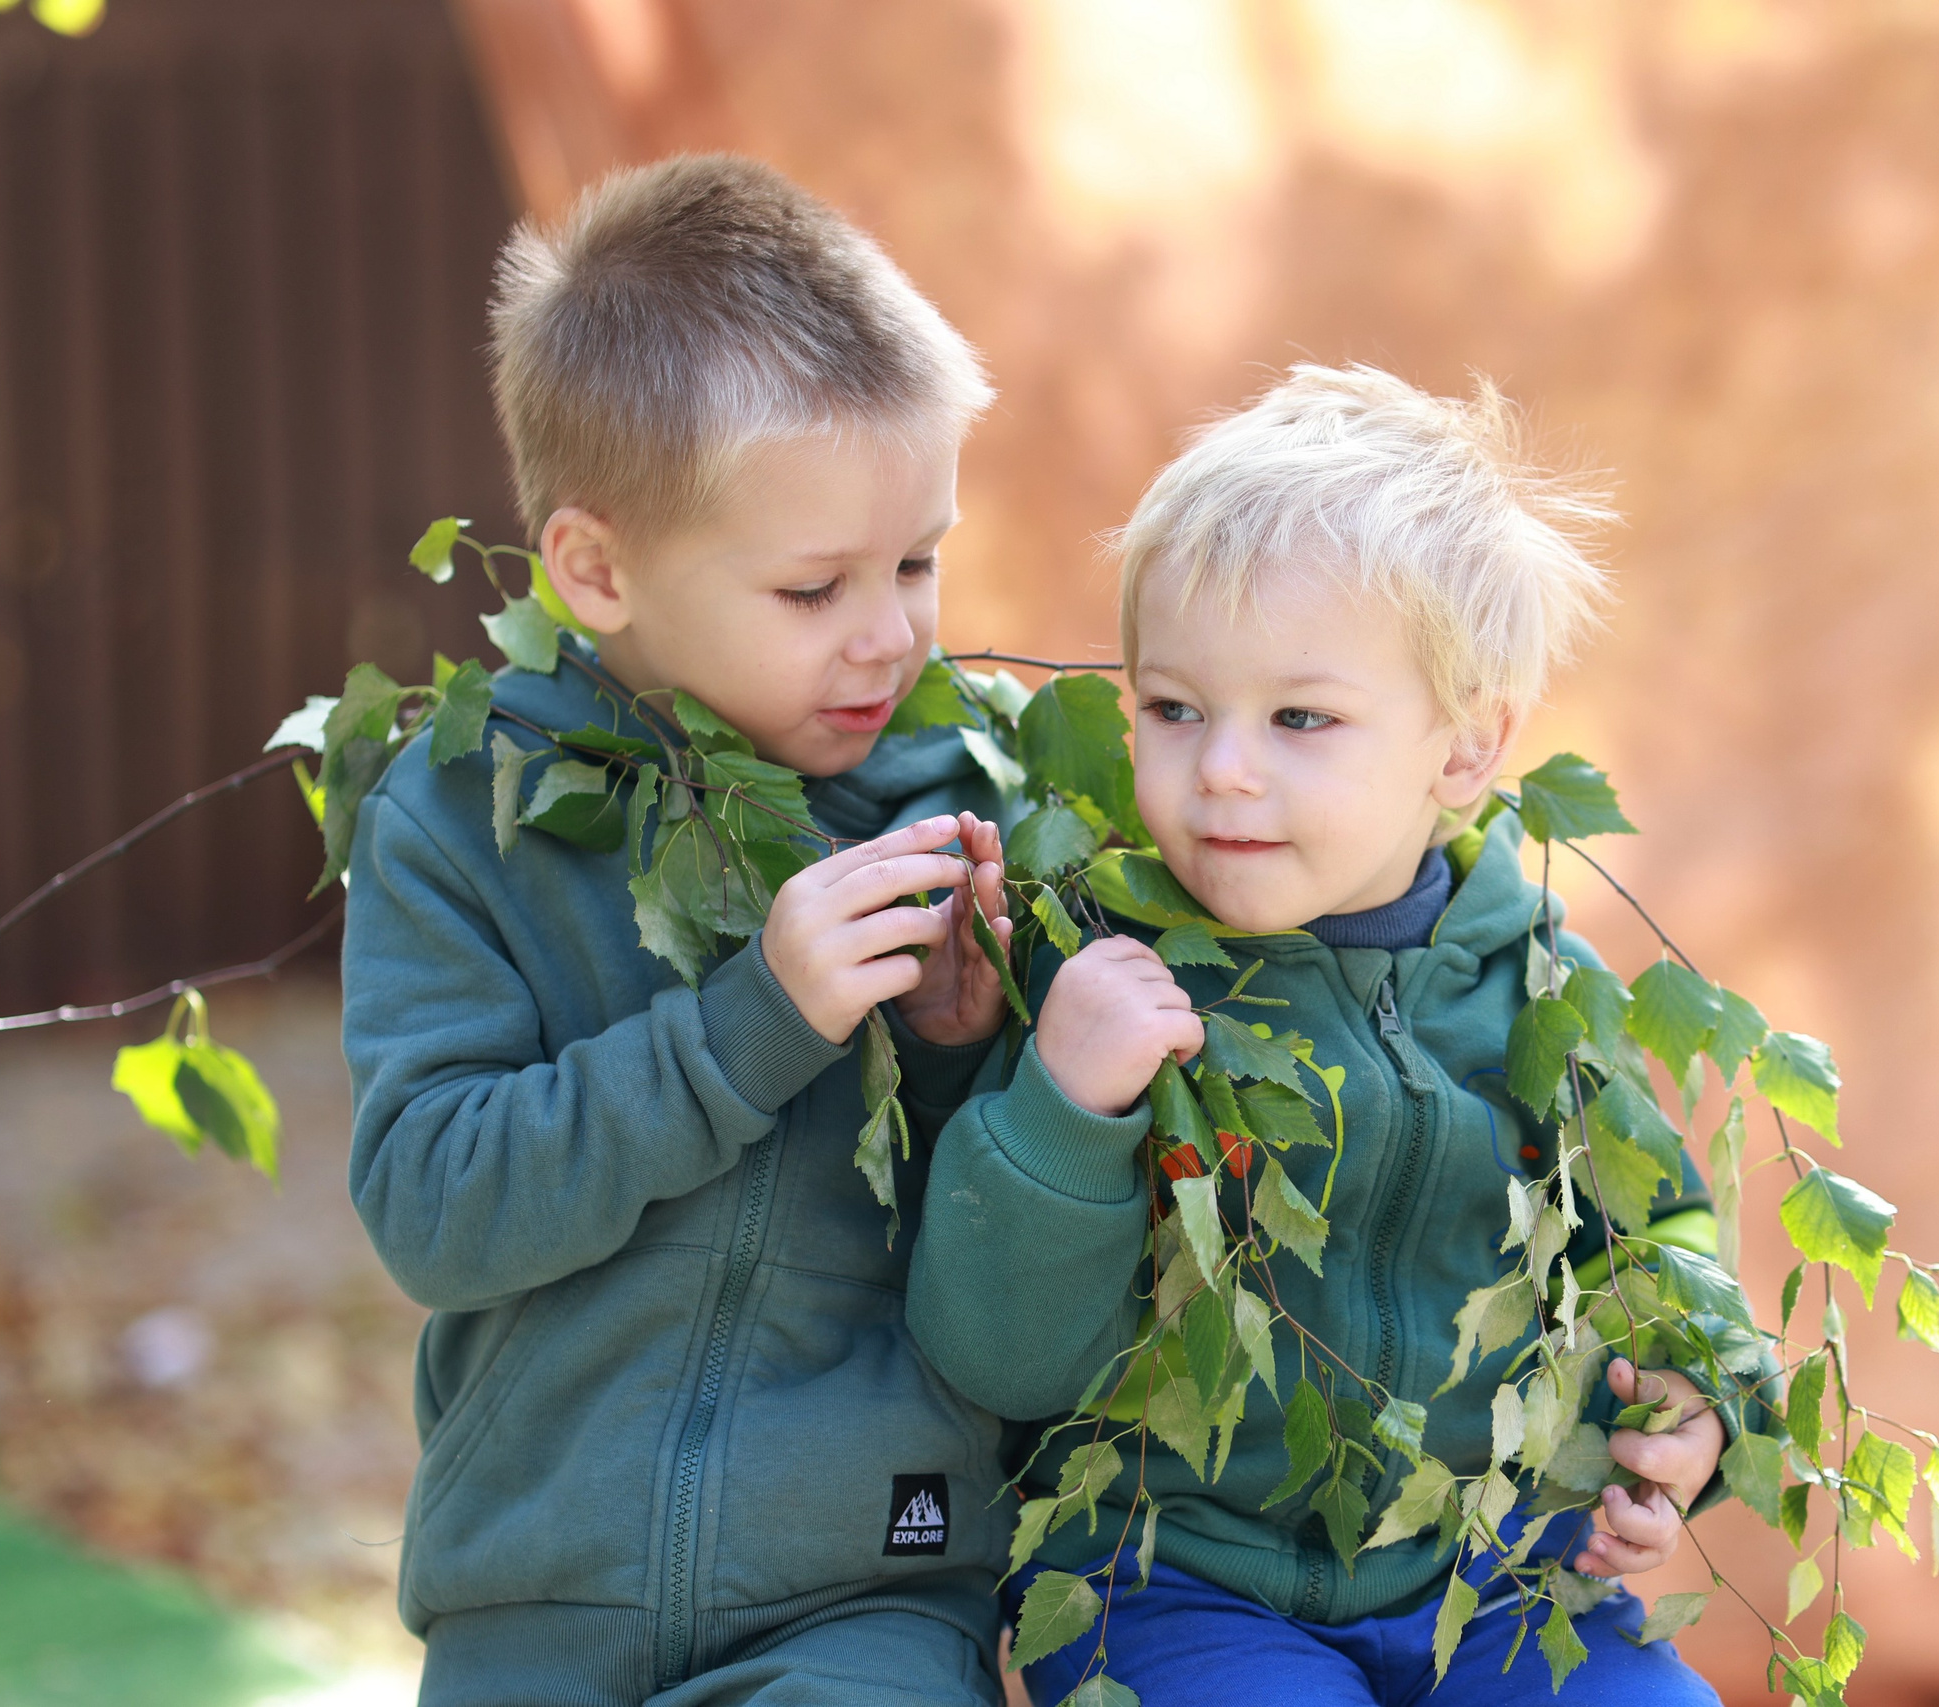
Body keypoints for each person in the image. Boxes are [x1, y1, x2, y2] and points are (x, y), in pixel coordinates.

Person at [906, 365, 1776, 1706]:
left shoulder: (1542, 990)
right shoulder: (1099, 972)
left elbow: (1659, 1247)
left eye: (1300, 718)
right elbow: (995, 1355)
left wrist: (1691, 1421)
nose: (1226, 769)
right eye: (1176, 708)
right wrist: (1063, 1112)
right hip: (1173, 1578)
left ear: (1464, 751)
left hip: (1500, 1574)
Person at [342, 155, 1024, 1707]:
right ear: (595, 568)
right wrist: (748, 1027)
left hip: (876, 1593)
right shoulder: (467, 818)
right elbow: (433, 1209)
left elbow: (1012, 1261)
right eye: (813, 587)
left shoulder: (950, 802)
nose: (892, 633)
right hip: (539, 1598)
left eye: (919, 560)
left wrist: (958, 1056)